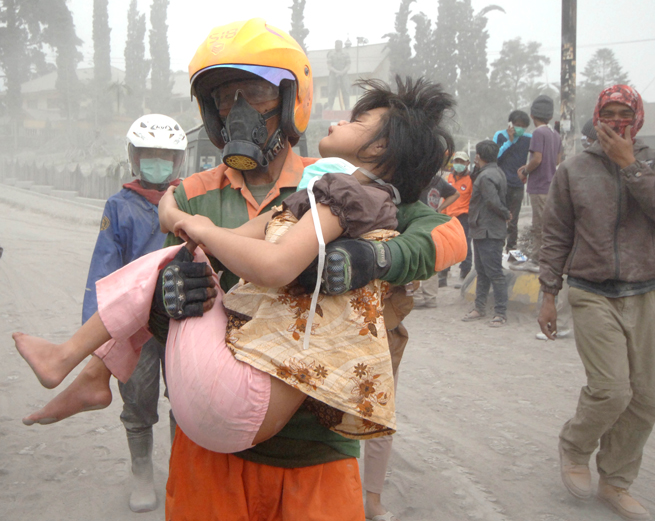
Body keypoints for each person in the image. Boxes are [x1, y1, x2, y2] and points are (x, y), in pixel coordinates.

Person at [20, 19, 467, 521]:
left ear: (289, 98)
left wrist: (375, 259)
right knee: (161, 272)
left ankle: (78, 366)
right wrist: (167, 307)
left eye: (253, 93)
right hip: (210, 450)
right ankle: (88, 372)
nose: (236, 110)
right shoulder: (194, 193)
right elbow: (165, 313)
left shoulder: (340, 184)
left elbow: (448, 237)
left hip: (316, 452)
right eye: (224, 95)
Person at [537, 85, 655, 520]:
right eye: (610, 113)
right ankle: (575, 446)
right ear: (599, 117)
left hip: (644, 293)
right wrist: (549, 295)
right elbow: (556, 236)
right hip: (591, 291)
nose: (617, 122)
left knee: (644, 398)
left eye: (626, 113)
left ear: (637, 118)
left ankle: (616, 482)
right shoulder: (573, 170)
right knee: (611, 390)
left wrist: (631, 167)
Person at [81, 114, 186, 513]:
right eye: (149, 155)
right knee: (138, 401)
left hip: (181, 321)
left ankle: (182, 470)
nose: (157, 163)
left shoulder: (189, 200)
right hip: (134, 327)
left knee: (186, 399)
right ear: (134, 157)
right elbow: (102, 268)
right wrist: (96, 332)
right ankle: (142, 473)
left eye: (166, 156)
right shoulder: (119, 206)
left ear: (178, 161)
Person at [462, 140, 510, 327]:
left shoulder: (486, 176)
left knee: (494, 273)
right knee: (482, 271)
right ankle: (479, 308)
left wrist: (506, 214)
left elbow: (493, 201)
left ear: (478, 156)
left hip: (489, 230)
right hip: (484, 229)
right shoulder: (494, 172)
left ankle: (500, 312)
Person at [514, 95, 561, 273]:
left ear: (533, 115)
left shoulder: (538, 134)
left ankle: (536, 260)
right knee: (548, 224)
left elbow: (537, 159)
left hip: (539, 186)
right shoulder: (555, 134)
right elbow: (557, 160)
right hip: (550, 185)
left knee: (539, 225)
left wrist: (525, 170)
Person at [412, 172, 458, 306]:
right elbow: (454, 194)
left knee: (417, 259)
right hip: (432, 224)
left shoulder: (415, 177)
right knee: (432, 259)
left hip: (417, 222)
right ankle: (430, 298)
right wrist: (439, 208)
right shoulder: (438, 180)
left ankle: (418, 297)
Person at [493, 111, 531, 253]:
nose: (520, 128)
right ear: (510, 124)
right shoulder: (500, 135)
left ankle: (511, 248)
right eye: (517, 125)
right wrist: (509, 140)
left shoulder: (528, 138)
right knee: (500, 217)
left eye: (523, 126)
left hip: (517, 185)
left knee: (513, 220)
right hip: (501, 184)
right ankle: (498, 247)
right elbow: (495, 156)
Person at [437, 151, 473, 289]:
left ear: (467, 163)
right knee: (446, 245)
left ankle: (465, 274)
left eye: (462, 162)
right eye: (456, 161)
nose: (458, 164)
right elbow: (446, 197)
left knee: (465, 245)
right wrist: (443, 212)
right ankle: (443, 275)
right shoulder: (450, 177)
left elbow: (473, 199)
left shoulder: (471, 179)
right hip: (449, 216)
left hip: (464, 216)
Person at [327, 39, 351, 110]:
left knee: (346, 90)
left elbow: (348, 65)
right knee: (331, 91)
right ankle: (330, 106)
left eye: (338, 45)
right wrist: (337, 72)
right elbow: (329, 66)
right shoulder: (331, 54)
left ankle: (347, 106)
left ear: (341, 45)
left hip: (344, 74)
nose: (337, 46)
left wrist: (342, 72)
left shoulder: (346, 54)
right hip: (333, 75)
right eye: (336, 45)